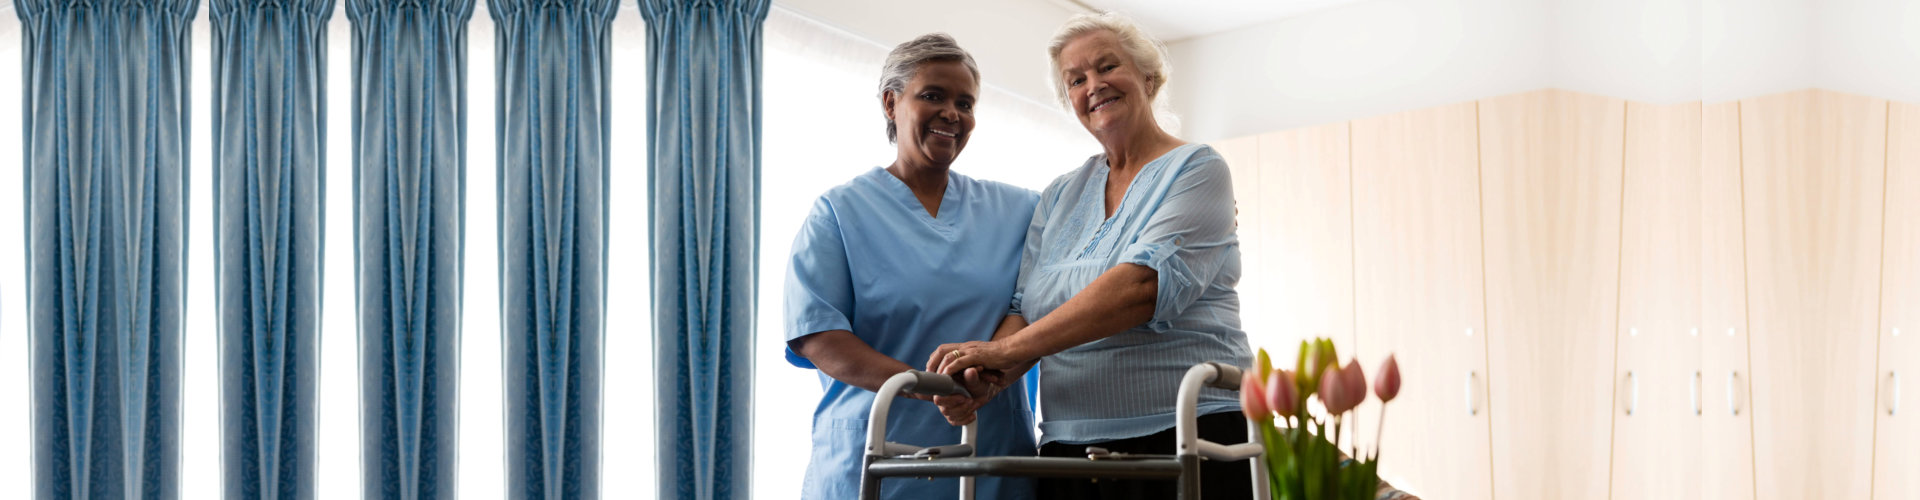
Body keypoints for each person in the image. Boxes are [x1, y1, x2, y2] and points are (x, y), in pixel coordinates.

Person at [925, 12, 1256, 499]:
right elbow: (1024, 309)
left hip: (1189, 433)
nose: (1094, 85)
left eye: (1107, 67)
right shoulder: (1060, 195)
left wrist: (1002, 353)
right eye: (1076, 80)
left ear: (1148, 76)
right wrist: (986, 379)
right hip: (1069, 446)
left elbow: (1141, 287)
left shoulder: (1197, 168)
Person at [782, 33, 1038, 500]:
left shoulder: (1019, 211)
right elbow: (819, 336)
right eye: (933, 96)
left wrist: (986, 378)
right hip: (876, 458)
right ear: (890, 102)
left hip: (991, 461)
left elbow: (1036, 311)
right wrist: (931, 387)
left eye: (966, 102)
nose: (952, 114)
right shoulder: (839, 212)